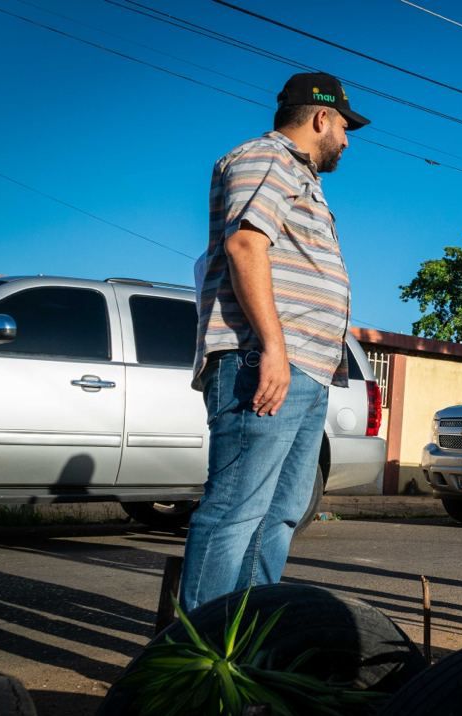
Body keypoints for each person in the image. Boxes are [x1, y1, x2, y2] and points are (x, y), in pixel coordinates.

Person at [180, 72, 369, 612]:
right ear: (321, 118)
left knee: (280, 514)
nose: (347, 141)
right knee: (236, 510)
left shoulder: (298, 174)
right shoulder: (267, 158)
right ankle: (197, 648)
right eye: (345, 127)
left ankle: (246, 637)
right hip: (262, 361)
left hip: (306, 369)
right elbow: (245, 245)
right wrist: (274, 348)